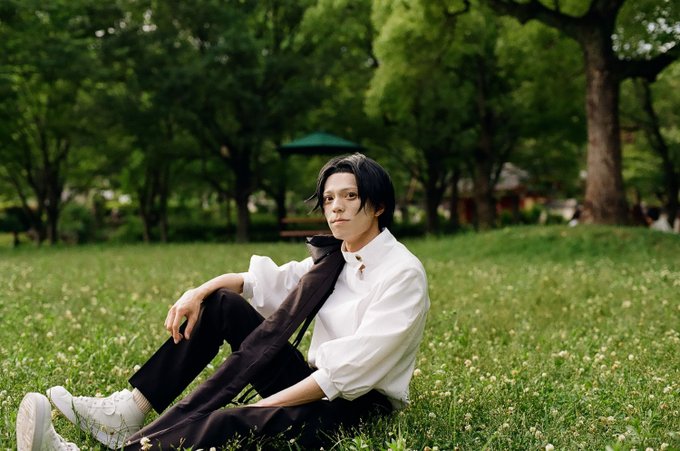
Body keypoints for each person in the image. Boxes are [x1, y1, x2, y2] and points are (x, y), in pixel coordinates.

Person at [16, 153, 430, 450]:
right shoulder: (335, 258)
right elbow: (266, 283)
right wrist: (198, 292)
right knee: (221, 304)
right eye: (328, 198)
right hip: (313, 379)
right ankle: (129, 411)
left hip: (354, 406)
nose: (335, 207)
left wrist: (262, 406)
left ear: (378, 205)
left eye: (349, 196)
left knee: (225, 421)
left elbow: (345, 376)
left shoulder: (401, 274)